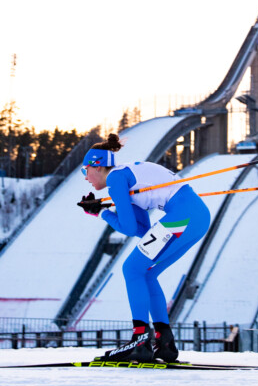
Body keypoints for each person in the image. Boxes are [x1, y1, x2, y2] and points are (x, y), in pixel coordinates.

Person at [78, 133, 211, 363]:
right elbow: (143, 231)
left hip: (184, 216)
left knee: (131, 269)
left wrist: (102, 212)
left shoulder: (116, 179)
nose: (86, 178)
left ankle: (140, 342)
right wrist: (105, 209)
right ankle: (165, 343)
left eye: (85, 171)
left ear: (96, 166)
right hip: (196, 218)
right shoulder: (124, 178)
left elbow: (128, 229)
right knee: (146, 273)